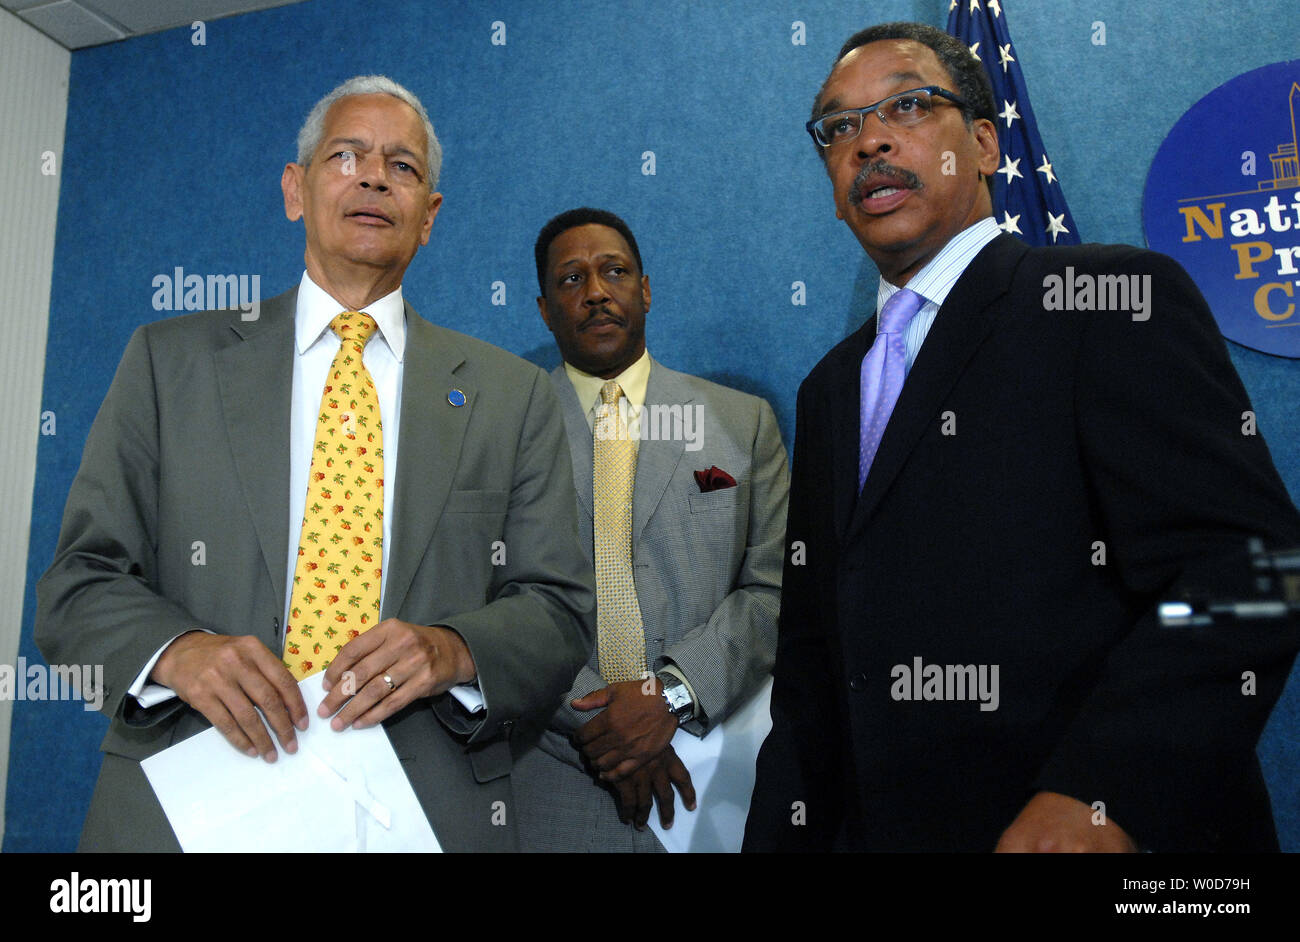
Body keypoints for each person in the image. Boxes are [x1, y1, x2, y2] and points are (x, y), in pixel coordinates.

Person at [744, 22, 1300, 852]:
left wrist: (1098, 795)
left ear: (981, 144)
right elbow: (817, 663)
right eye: (839, 126)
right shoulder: (829, 388)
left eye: (907, 104)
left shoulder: (1107, 299)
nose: (870, 142)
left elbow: (1252, 567)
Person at [35, 75, 594, 852]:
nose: (373, 176)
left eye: (402, 166)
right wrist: (179, 652)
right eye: (346, 156)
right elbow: (77, 585)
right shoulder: (170, 364)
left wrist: (453, 649)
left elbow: (560, 614)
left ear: (429, 217)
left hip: (417, 812)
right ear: (295, 190)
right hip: (189, 797)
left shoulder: (513, 396)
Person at [510, 208, 789, 851]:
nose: (597, 292)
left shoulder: (741, 422)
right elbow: (496, 600)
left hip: (715, 765)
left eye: (615, 272)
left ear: (646, 289)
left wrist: (667, 697)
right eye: (571, 280)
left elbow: (773, 590)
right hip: (555, 771)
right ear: (546, 310)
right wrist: (608, 725)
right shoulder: (505, 432)